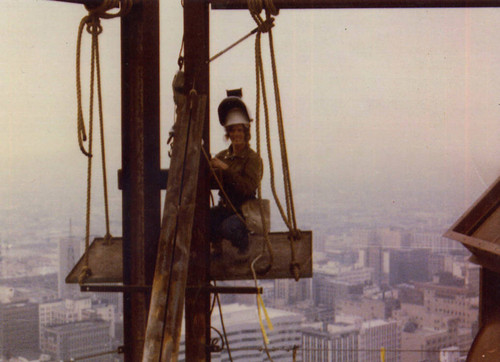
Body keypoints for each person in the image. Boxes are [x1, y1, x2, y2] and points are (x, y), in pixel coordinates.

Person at [210, 92, 263, 257]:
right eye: (232, 130)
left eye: (240, 130)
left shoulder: (253, 159)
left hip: (244, 212)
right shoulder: (222, 156)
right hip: (226, 208)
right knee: (204, 219)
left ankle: (244, 248)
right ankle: (216, 248)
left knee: (229, 227)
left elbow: (246, 188)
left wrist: (225, 169)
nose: (236, 134)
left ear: (246, 133)